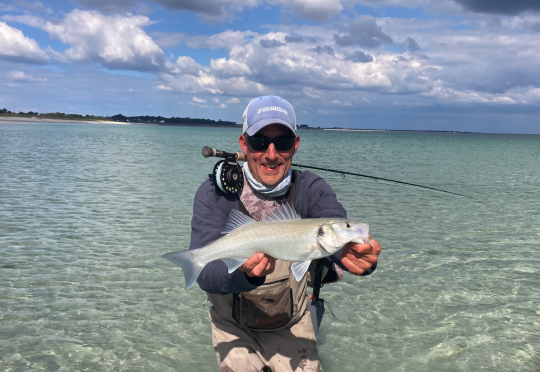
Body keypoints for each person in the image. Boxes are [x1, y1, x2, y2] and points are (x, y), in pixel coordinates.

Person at [189, 96, 381, 372]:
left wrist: (349, 253)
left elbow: (333, 219)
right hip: (232, 327)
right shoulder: (214, 193)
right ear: (243, 144)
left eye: (282, 142)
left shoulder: (311, 188)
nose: (271, 153)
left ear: (296, 145)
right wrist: (244, 274)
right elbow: (206, 275)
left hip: (292, 323)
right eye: (259, 142)